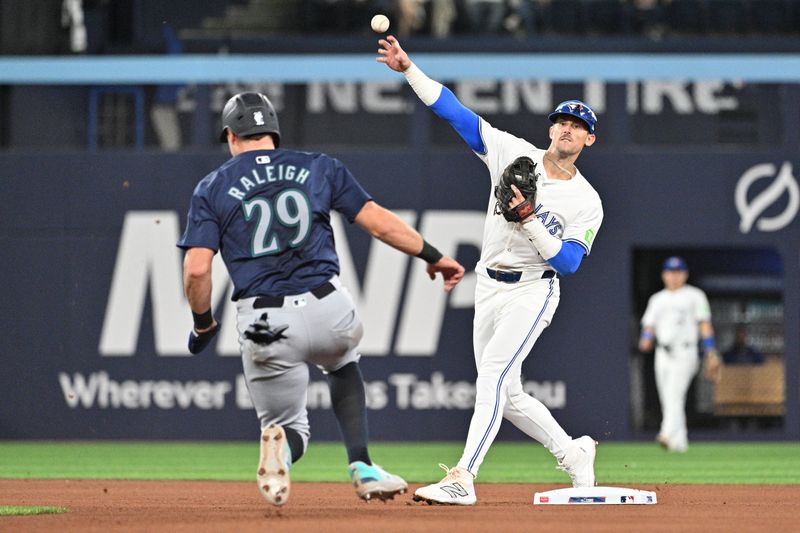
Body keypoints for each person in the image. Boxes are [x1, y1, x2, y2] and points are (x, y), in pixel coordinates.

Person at [177, 92, 465, 506]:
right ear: (273, 132)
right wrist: (435, 257)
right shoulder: (318, 166)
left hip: (265, 321)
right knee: (343, 365)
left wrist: (203, 323)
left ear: (230, 135)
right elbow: (379, 224)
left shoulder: (212, 187)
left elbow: (197, 269)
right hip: (328, 306)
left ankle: (283, 450)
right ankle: (363, 466)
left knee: (288, 426)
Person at [377, 35, 603, 505]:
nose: (565, 128)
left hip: (533, 290)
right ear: (550, 131)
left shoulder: (587, 202)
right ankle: (573, 452)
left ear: (588, 139)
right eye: (560, 121)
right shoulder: (511, 152)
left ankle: (463, 476)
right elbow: (454, 113)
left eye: (576, 125)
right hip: (489, 284)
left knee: (493, 377)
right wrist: (409, 70)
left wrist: (530, 221)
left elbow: (568, 262)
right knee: (510, 392)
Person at [638, 256, 721, 452]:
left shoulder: (695, 295)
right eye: (670, 272)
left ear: (685, 274)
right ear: (663, 275)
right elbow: (649, 325)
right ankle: (680, 442)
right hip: (662, 352)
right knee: (668, 397)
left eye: (678, 272)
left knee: (675, 393)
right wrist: (646, 339)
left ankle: (666, 433)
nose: (674, 276)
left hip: (686, 350)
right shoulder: (657, 299)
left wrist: (711, 350)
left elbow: (705, 324)